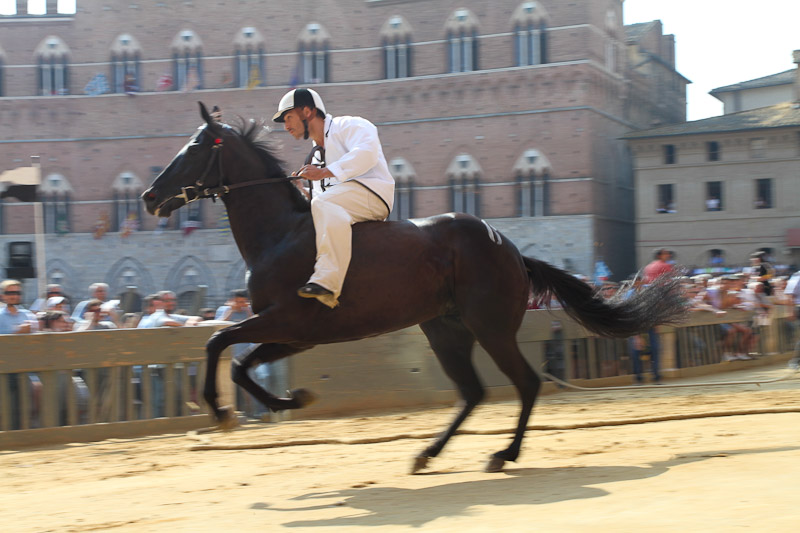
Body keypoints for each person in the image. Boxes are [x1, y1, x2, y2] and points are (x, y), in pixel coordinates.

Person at [273, 87, 395, 307]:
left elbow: (367, 153)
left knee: (324, 203)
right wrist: (305, 190)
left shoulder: (349, 125)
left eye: (289, 117)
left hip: (374, 195)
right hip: (344, 203)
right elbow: (325, 201)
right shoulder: (315, 154)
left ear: (307, 112)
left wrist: (323, 173)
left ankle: (328, 283)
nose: (286, 126)